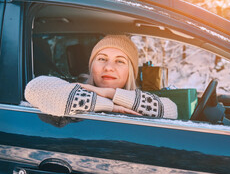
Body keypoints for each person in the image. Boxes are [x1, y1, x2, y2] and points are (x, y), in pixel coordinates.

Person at [25, 35, 178, 119]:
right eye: (102, 59)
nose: (109, 67)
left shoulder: (141, 98)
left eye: (119, 61)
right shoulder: (76, 88)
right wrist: (110, 106)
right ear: (92, 66)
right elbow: (35, 88)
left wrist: (112, 94)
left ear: (130, 71)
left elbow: (172, 110)